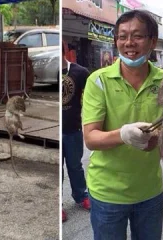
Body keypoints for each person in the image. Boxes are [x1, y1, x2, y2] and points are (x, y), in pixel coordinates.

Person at [82, 10, 163, 240]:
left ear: (153, 41)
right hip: (107, 194)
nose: (129, 43)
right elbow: (90, 139)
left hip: (149, 191)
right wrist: (123, 134)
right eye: (122, 36)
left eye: (137, 36)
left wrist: (159, 139)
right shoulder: (98, 80)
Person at [62, 41, 91, 222]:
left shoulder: (80, 73)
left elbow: (91, 101)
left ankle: (81, 196)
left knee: (75, 166)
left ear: (65, 51)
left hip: (73, 129)